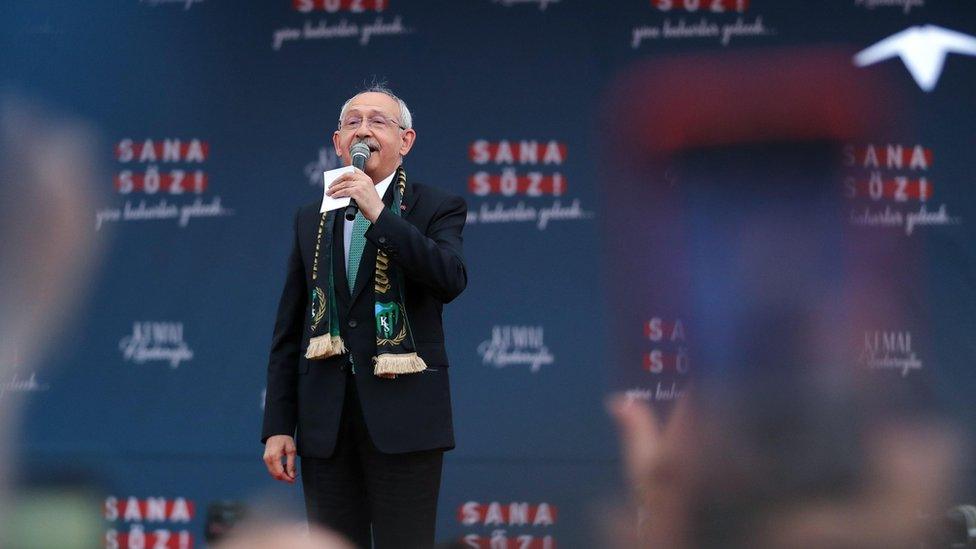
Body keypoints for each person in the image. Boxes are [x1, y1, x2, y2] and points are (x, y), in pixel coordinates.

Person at [260, 85, 467, 549]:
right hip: (325, 427)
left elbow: (449, 278)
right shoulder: (311, 217)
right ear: (337, 143)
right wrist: (278, 424)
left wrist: (378, 213)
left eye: (378, 121)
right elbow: (290, 328)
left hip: (405, 422)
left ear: (405, 141)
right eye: (353, 122)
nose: (364, 130)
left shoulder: (437, 207)